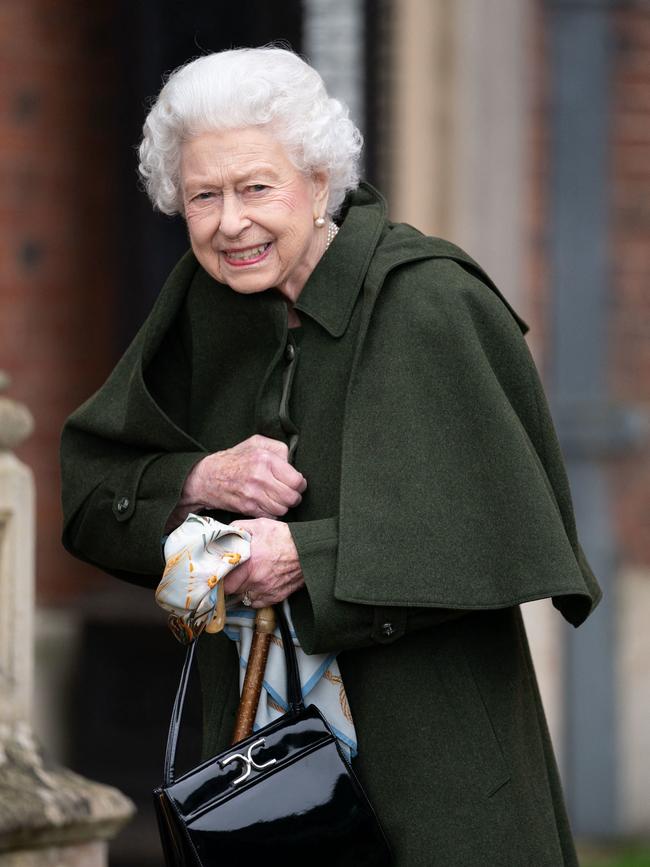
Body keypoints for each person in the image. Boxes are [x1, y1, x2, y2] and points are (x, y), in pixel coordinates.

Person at [60, 47, 601, 866]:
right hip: (260, 784)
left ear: (319, 181)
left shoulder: (432, 299)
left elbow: (509, 533)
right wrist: (200, 480)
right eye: (203, 195)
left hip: (436, 778)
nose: (229, 221)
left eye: (255, 187)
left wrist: (305, 555)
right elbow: (94, 495)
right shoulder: (207, 303)